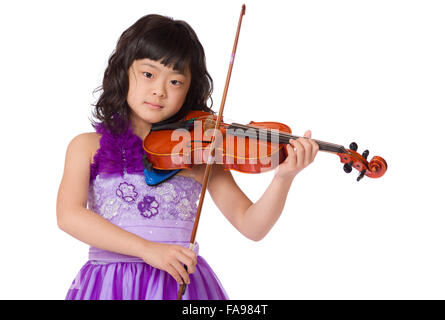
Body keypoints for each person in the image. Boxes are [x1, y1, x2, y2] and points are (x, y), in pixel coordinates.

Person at [56, 13, 319, 300]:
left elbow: (251, 226)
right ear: (123, 71)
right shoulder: (86, 146)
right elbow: (69, 215)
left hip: (178, 286)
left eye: (175, 82)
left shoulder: (198, 153)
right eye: (148, 74)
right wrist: (148, 250)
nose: (159, 90)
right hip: (110, 286)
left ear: (189, 89)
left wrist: (283, 178)